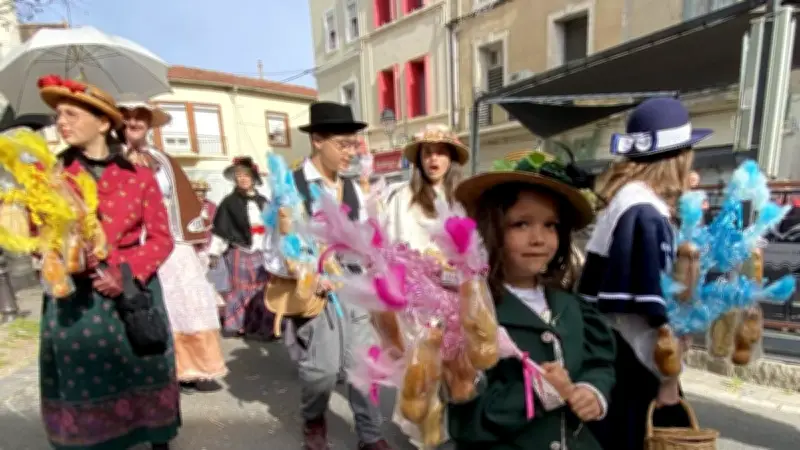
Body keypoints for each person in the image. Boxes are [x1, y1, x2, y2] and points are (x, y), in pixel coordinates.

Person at [36, 75, 180, 449]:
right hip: (76, 301)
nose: (61, 122)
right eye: (57, 116)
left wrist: (126, 273)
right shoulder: (48, 178)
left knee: (145, 370)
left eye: (71, 113)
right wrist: (58, 253)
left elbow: (162, 238)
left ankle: (156, 438)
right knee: (85, 382)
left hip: (133, 293)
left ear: (103, 122)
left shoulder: (140, 176)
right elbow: (37, 239)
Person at [447, 149, 615, 450]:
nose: (539, 239)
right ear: (491, 230)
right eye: (521, 224)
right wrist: (539, 393)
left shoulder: (570, 306)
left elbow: (598, 362)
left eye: (550, 225)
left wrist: (593, 390)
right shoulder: (474, 315)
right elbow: (466, 421)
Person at [577, 97, 706, 449]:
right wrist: (668, 380)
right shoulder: (643, 213)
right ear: (679, 157)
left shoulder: (629, 201)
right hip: (634, 365)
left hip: (614, 355)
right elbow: (650, 312)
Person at [269, 101, 389, 450]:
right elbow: (276, 250)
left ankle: (370, 435)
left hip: (355, 283)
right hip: (317, 290)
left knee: (363, 365)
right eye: (343, 144)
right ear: (318, 140)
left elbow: (367, 239)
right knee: (322, 371)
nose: (351, 152)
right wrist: (308, 274)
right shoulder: (290, 187)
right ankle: (314, 418)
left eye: (354, 144)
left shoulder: (353, 187)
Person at [119, 101, 228, 392]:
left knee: (189, 299)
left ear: (149, 124)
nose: (133, 123)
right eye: (127, 118)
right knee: (156, 300)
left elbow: (182, 197)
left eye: (140, 118)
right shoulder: (113, 159)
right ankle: (167, 368)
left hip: (172, 236)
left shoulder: (161, 159)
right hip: (137, 238)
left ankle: (197, 368)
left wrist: (194, 237)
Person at [381, 123, 468, 448]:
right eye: (428, 152)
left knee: (457, 369)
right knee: (423, 370)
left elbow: (476, 245)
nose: (434, 158)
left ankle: (455, 428)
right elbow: (391, 246)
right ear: (419, 158)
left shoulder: (464, 197)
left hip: (458, 297)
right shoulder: (401, 198)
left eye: (441, 152)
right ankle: (428, 436)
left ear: (452, 158)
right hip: (417, 301)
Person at [208, 156, 275, 339]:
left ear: (253, 177)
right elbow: (221, 230)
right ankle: (237, 325)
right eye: (238, 176)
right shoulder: (228, 203)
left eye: (246, 175)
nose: (242, 179)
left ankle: (263, 327)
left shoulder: (264, 201)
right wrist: (214, 252)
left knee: (263, 290)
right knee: (239, 289)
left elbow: (274, 228)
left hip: (262, 251)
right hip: (240, 251)